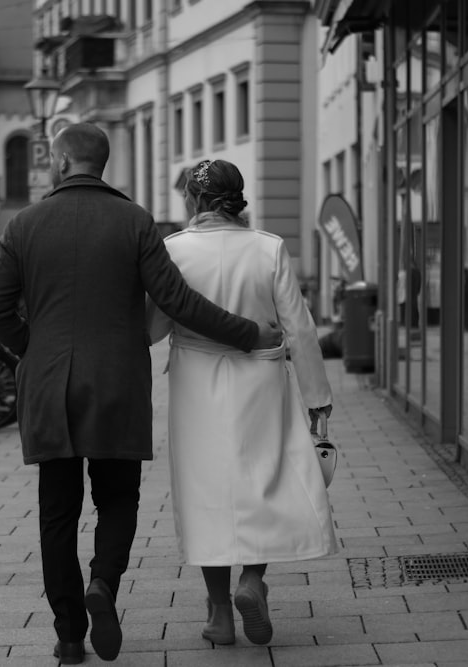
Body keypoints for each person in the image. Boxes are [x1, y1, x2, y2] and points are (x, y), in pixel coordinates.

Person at [0, 123, 282, 665]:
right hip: (117, 382)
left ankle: (70, 636)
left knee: (57, 512)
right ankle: (103, 582)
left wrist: (36, 348)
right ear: (103, 163)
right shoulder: (135, 221)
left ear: (60, 160)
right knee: (118, 497)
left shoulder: (24, 225)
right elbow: (177, 301)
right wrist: (247, 333)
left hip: (50, 388)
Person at [147, 159, 336, 647]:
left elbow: (154, 327)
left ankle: (219, 614)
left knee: (205, 491)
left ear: (194, 199)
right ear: (238, 199)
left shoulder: (173, 250)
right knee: (263, 482)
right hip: (261, 377)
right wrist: (318, 397)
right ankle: (251, 581)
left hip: (196, 382)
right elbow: (299, 326)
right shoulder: (267, 248)